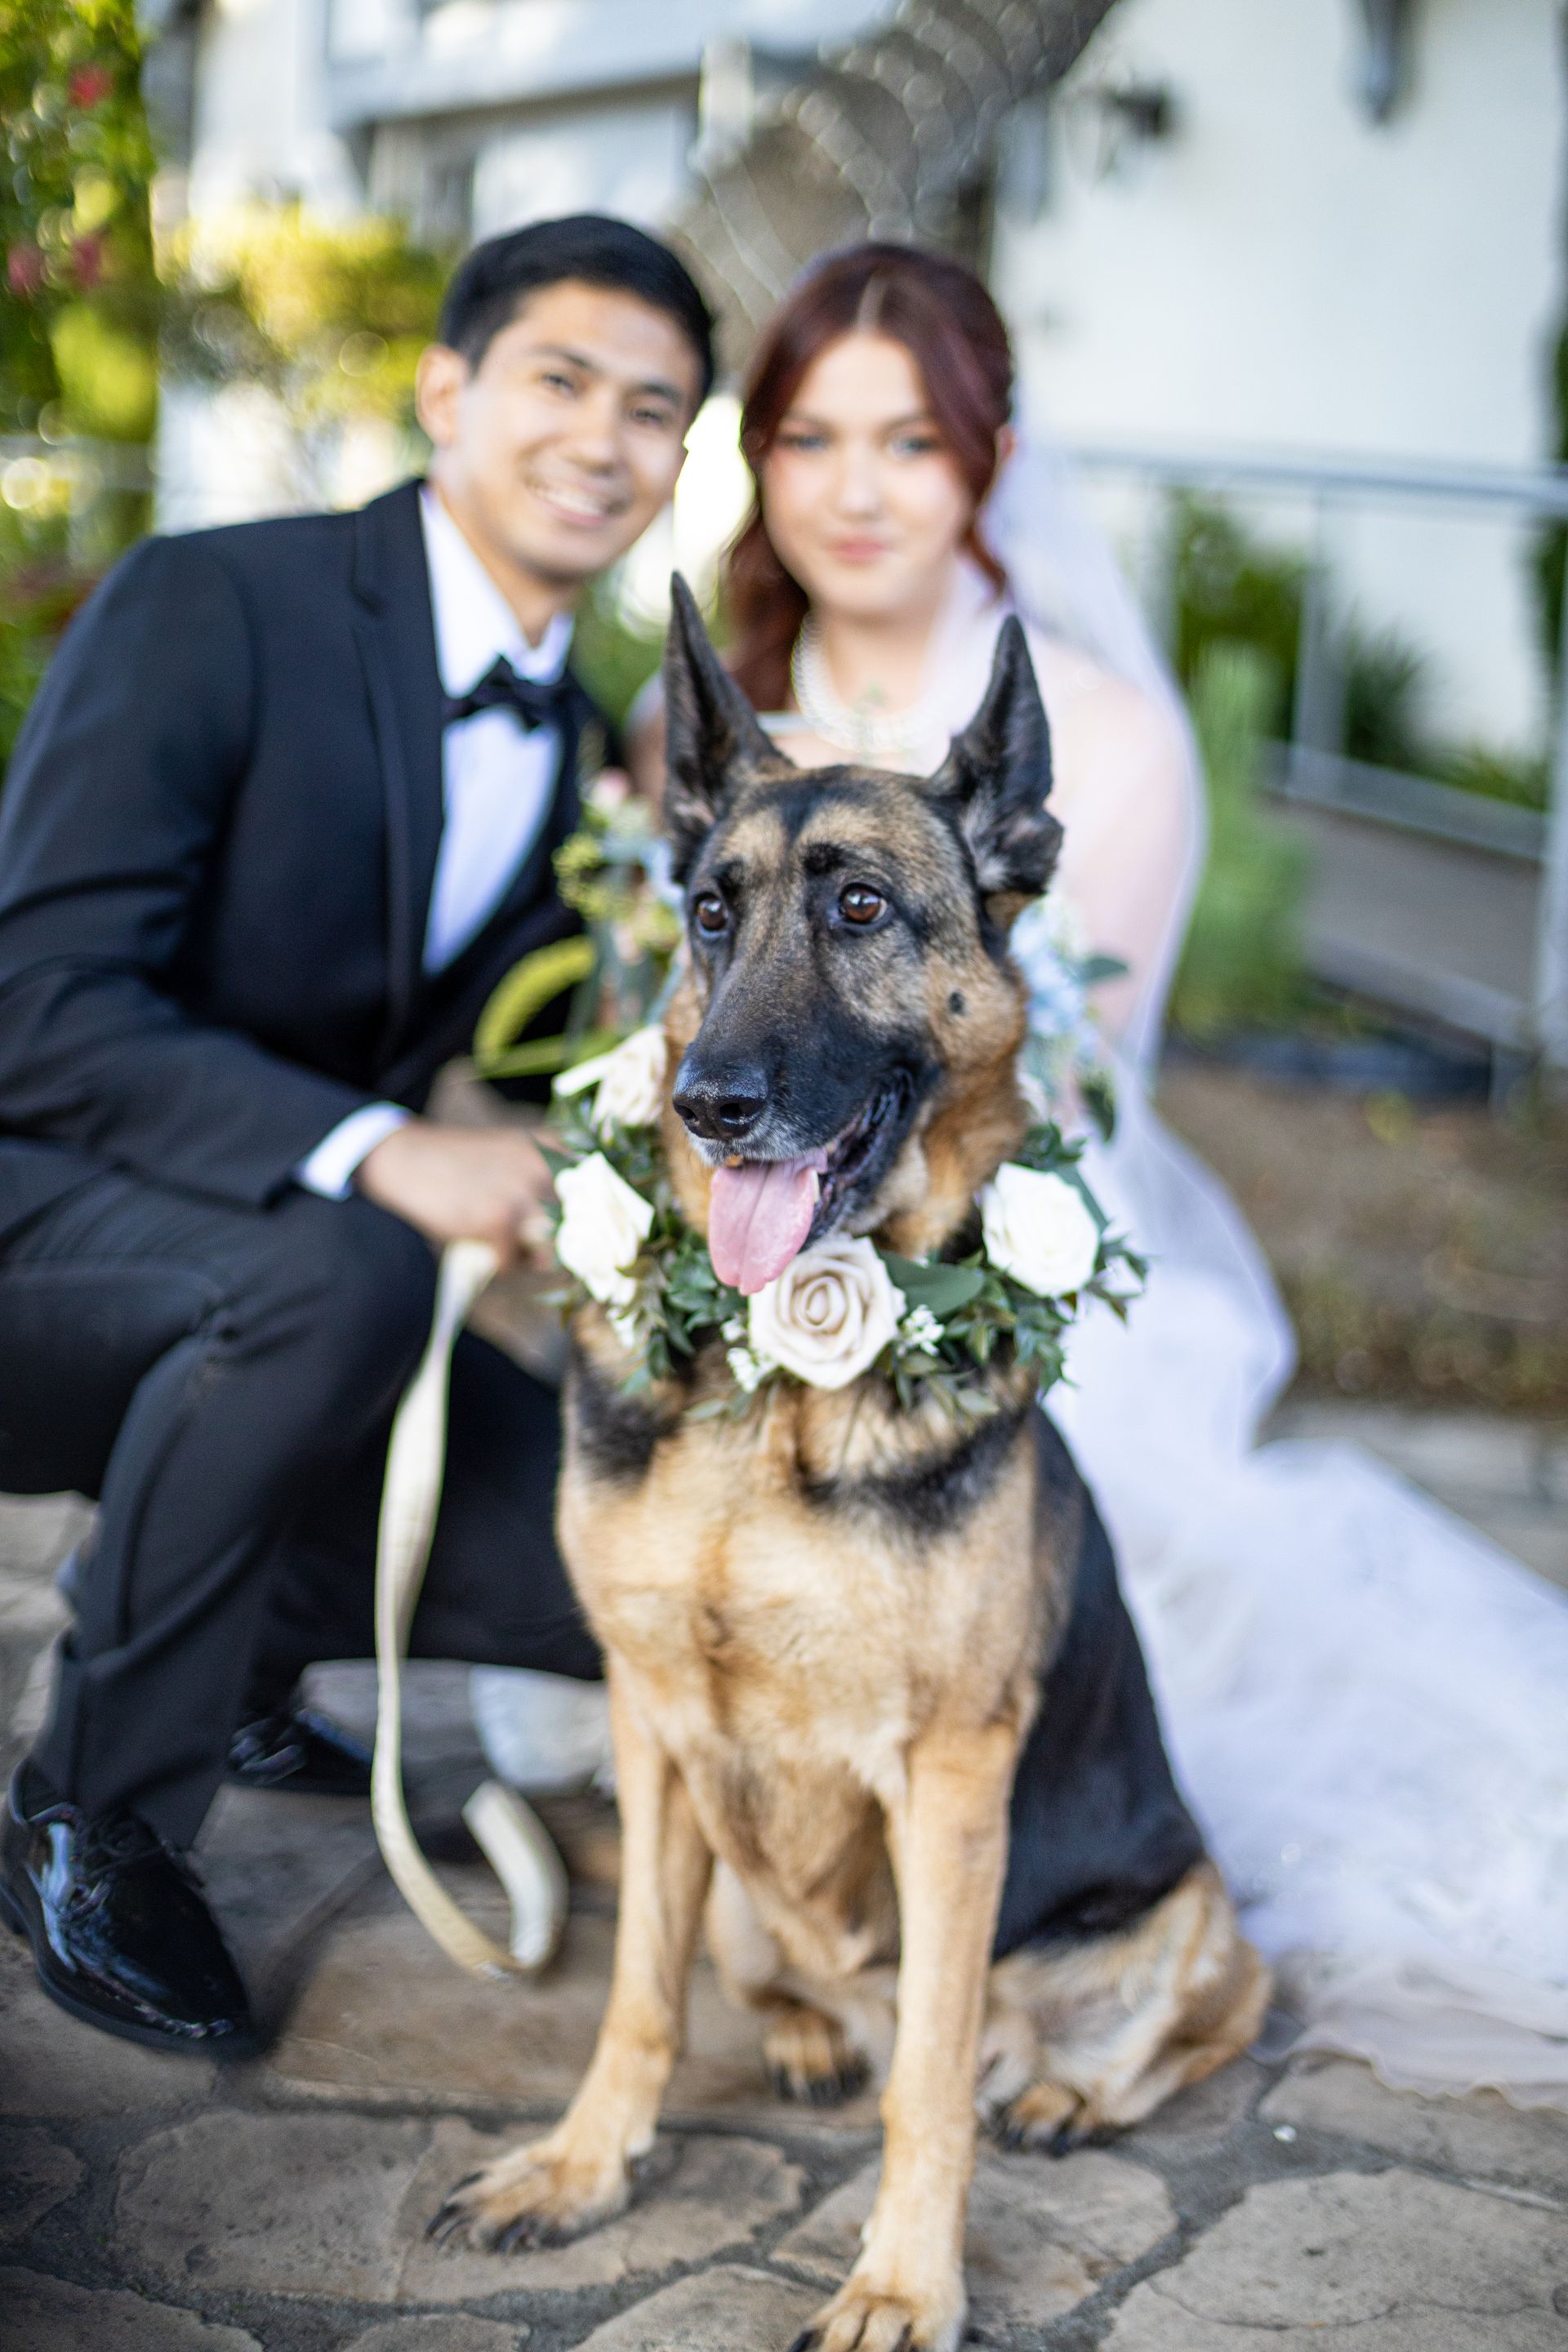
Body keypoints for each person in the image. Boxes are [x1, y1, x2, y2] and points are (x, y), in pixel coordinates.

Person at [610, 242, 1568, 2107]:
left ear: (991, 455)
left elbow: (1065, 1081)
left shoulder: (1099, 740)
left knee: (1041, 1652)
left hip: (1022, 1216)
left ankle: (1057, 1922)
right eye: (810, 436)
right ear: (763, 458)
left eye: (910, 438)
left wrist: (903, 1232)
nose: (856, 486)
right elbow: (676, 1010)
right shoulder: (713, 727)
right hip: (751, 1202)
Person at [0, 214, 714, 2056]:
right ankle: (95, 1816)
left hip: (266, 1273)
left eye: (656, 408)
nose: (603, 440)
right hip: (44, 1241)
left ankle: (228, 1643)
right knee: (352, 1257)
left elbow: (536, 1045)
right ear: (448, 387)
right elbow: (39, 1003)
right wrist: (379, 1147)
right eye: (560, 380)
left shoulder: (580, 760)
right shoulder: (214, 600)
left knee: (592, 1554)